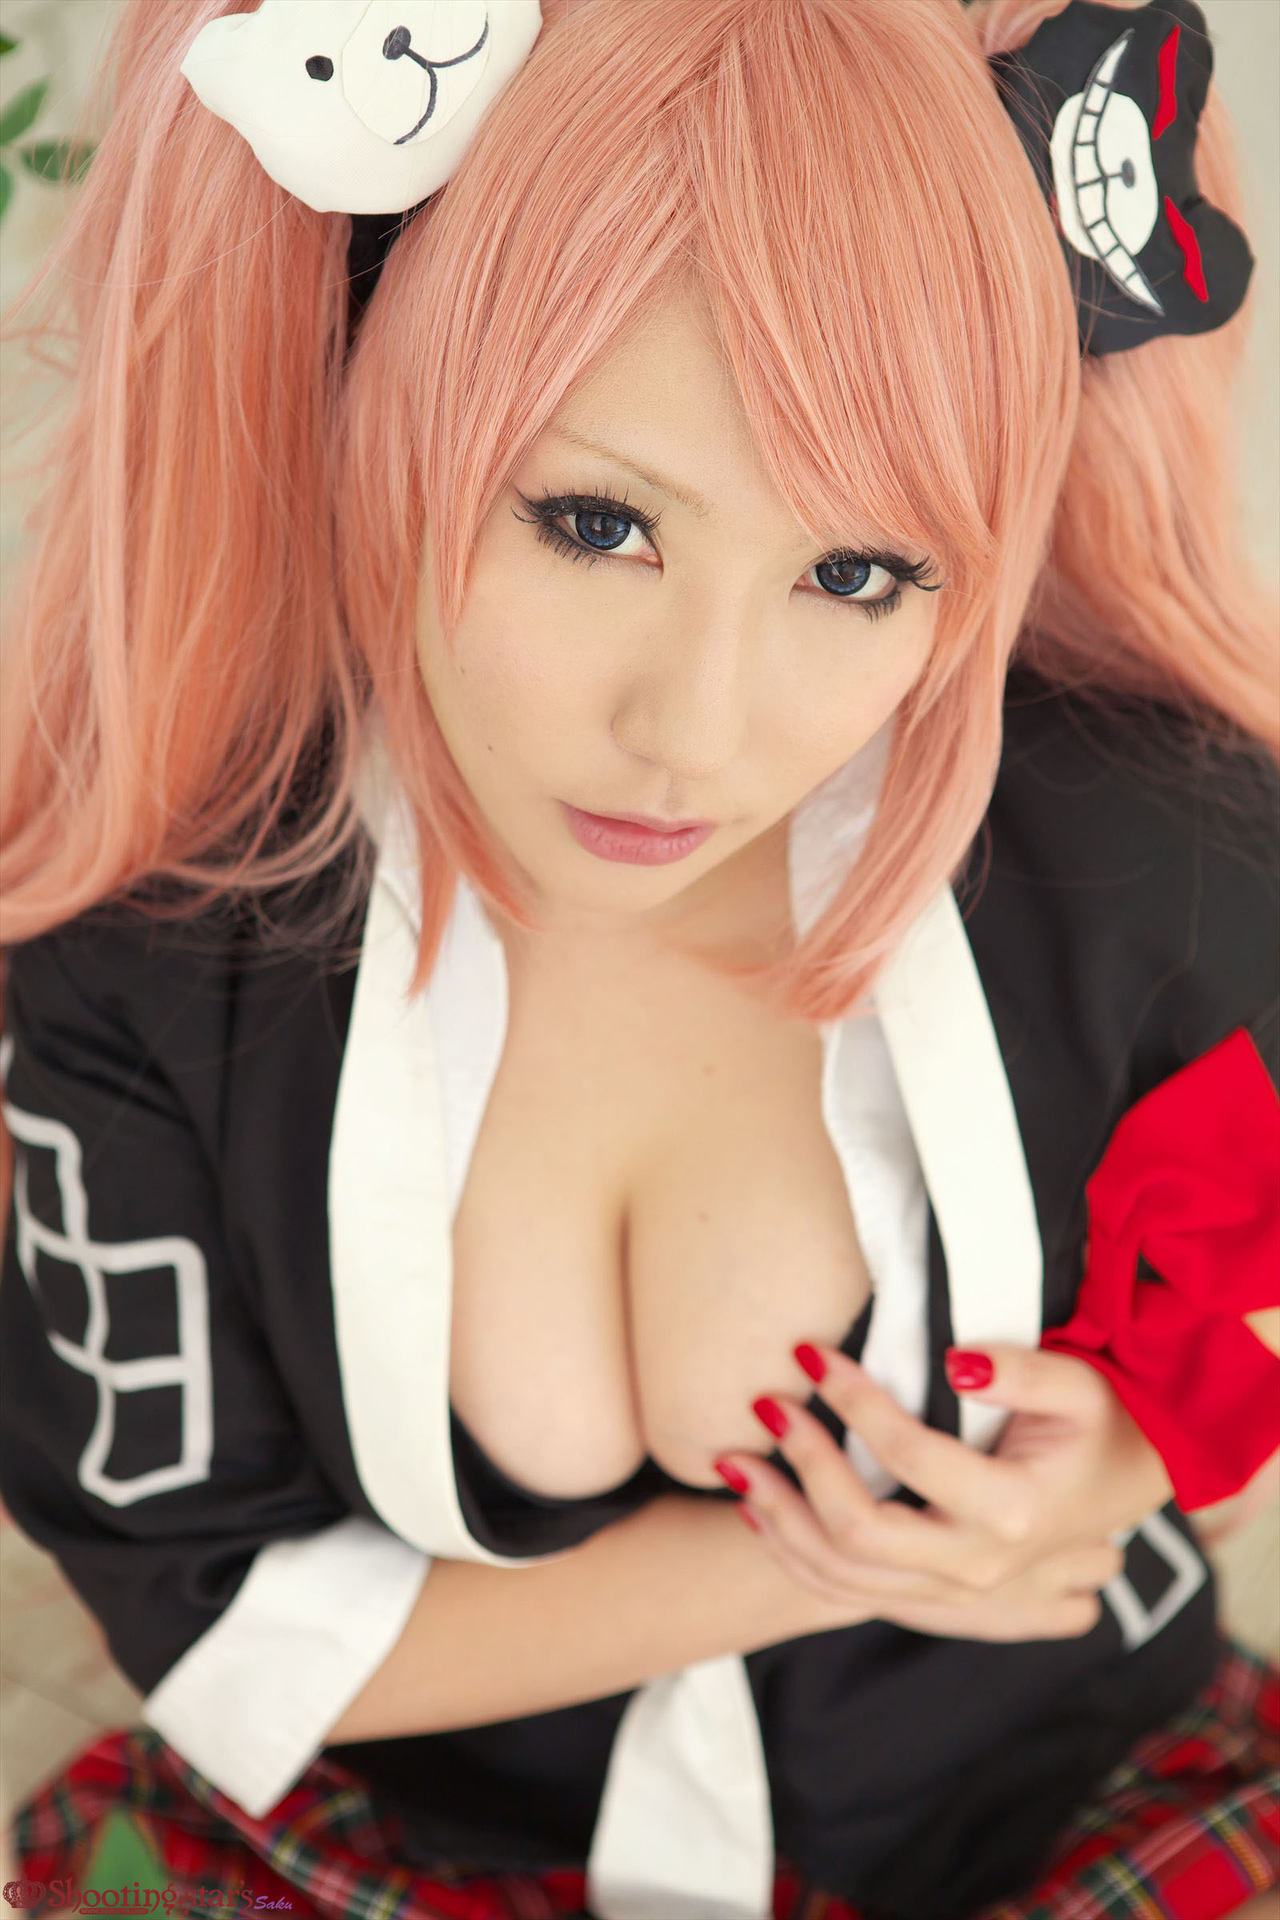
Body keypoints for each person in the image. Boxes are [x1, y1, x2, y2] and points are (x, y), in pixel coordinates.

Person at [0, 0, 1277, 1916]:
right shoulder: (157, 964)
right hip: (410, 1847)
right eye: (595, 523)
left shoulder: (1159, 853)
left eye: (858, 574)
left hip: (1063, 1802)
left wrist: (1133, 1451)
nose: (697, 729)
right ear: (359, 387)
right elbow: (224, 1626)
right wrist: (833, 1559)